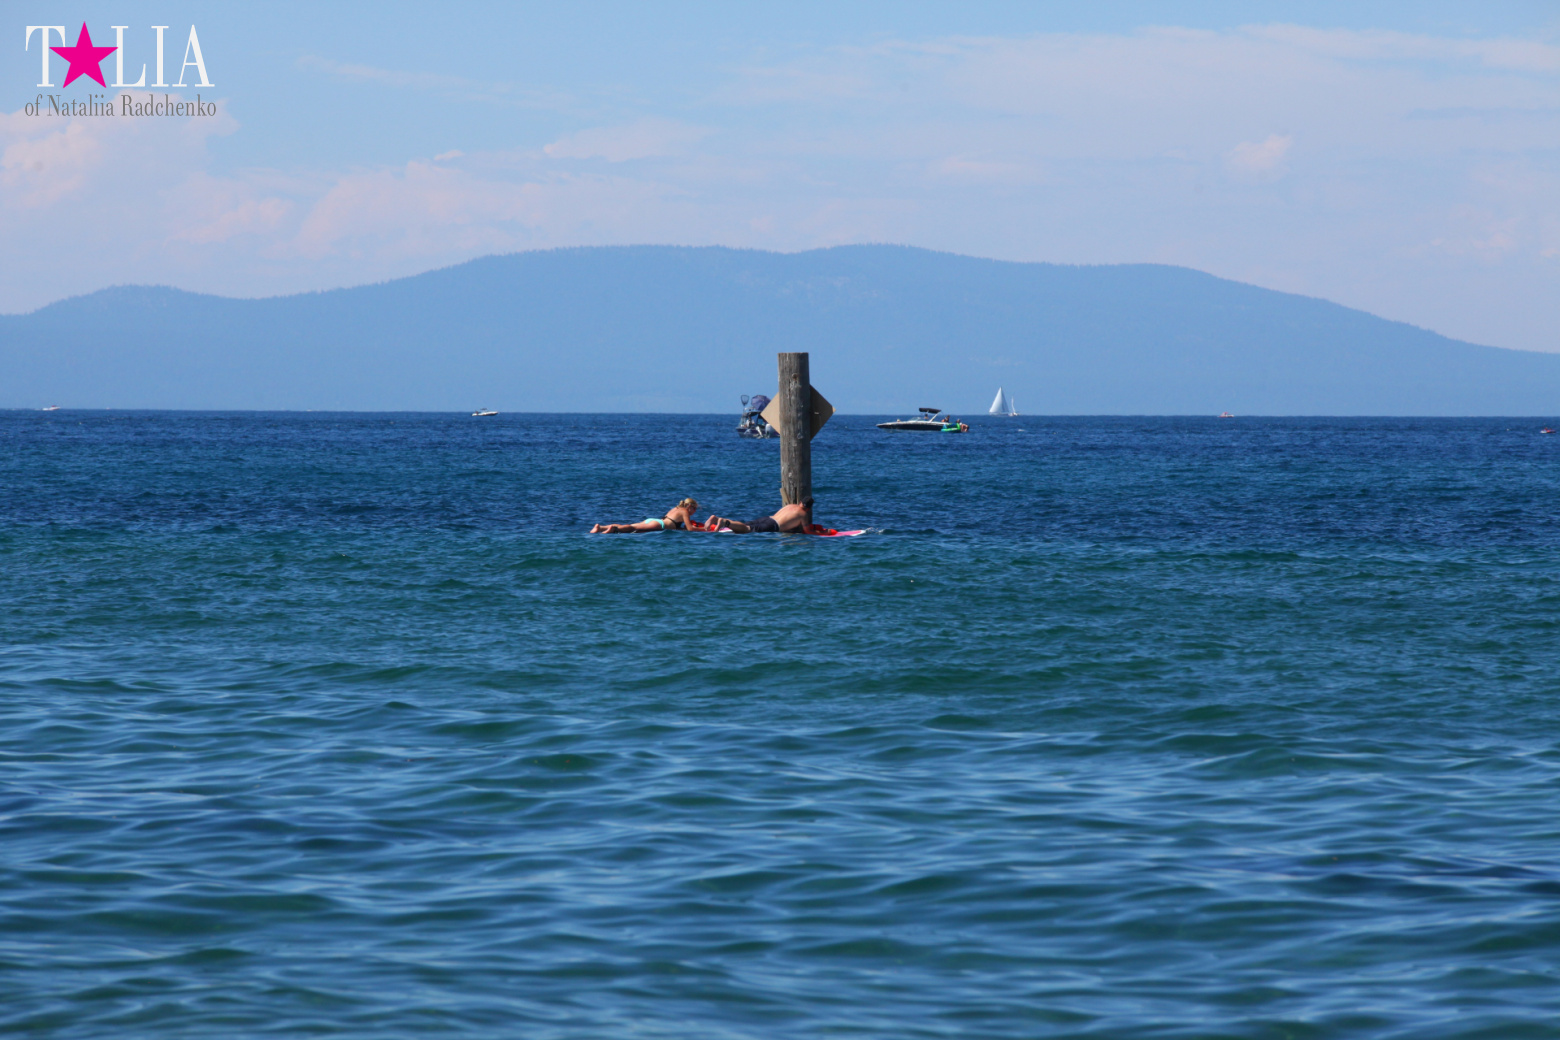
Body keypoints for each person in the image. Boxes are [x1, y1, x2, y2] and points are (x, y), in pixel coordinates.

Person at [591, 498, 700, 534]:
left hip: (655, 521)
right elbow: (690, 529)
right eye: (695, 508)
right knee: (632, 528)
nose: (694, 511)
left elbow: (674, 525)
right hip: (659, 524)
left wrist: (681, 529)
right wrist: (706, 530)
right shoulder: (685, 511)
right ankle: (613, 530)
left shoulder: (676, 509)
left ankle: (600, 527)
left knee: (631, 526)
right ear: (689, 506)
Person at [706, 497, 813, 534]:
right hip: (774, 525)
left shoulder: (791, 505)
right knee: (747, 529)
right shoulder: (803, 514)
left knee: (743, 526)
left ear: (800, 502)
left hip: (768, 518)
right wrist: (819, 533)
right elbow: (807, 531)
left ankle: (718, 520)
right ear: (808, 508)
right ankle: (724, 522)